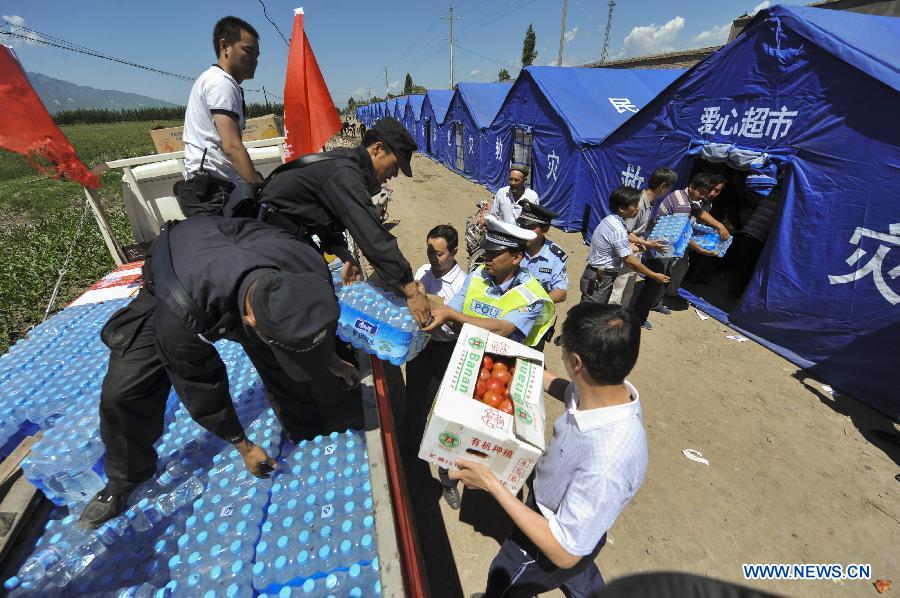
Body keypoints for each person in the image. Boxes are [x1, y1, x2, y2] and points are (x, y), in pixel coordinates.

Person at [78, 216, 361, 529]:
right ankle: (124, 479)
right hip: (174, 270)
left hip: (230, 248)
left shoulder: (308, 266)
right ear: (250, 323)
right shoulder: (182, 315)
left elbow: (313, 323)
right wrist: (244, 445)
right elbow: (200, 385)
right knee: (124, 392)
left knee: (285, 366)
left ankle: (306, 429)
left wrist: (331, 360)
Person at [451, 303, 648, 597]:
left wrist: (491, 483)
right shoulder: (610, 392)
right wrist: (528, 370)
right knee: (581, 566)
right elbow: (569, 392)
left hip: (550, 537)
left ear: (577, 362)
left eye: (562, 346)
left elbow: (564, 552)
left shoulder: (607, 462)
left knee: (505, 578)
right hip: (572, 514)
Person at [425, 215, 555, 509]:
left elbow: (503, 329)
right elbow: (454, 306)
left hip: (502, 375)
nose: (487, 259)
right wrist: (422, 296)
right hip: (467, 364)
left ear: (517, 257)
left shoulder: (531, 294)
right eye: (486, 252)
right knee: (453, 428)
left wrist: (452, 317)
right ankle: (448, 479)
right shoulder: (479, 275)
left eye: (495, 254)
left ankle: (491, 486)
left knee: (491, 436)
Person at [252, 116, 431, 325]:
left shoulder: (347, 166)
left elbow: (324, 215)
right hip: (267, 246)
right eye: (395, 165)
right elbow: (372, 236)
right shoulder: (344, 172)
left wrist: (342, 252)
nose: (395, 174)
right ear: (377, 149)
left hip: (285, 239)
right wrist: (410, 290)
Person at [177, 16, 264, 217]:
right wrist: (259, 188)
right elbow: (232, 147)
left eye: (257, 55)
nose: (255, 61)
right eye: (248, 52)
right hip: (215, 194)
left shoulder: (218, 81)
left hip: (212, 189)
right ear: (225, 46)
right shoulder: (221, 83)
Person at [632, 171, 728, 329]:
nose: (702, 197)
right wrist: (701, 249)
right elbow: (682, 233)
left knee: (666, 275)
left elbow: (699, 213)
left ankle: (655, 303)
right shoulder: (681, 203)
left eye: (705, 194)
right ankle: (639, 317)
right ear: (691, 187)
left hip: (668, 246)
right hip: (659, 245)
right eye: (700, 193)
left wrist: (719, 225)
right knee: (654, 281)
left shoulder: (688, 197)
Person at [402, 225, 466, 453]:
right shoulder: (422, 273)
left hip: (446, 350)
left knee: (442, 405)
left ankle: (440, 454)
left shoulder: (463, 285)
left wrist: (430, 303)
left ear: (454, 251)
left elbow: (462, 325)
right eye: (430, 252)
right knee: (416, 397)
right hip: (421, 347)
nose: (433, 258)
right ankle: (411, 448)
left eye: (439, 254)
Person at [581, 187, 670, 305]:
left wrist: (646, 244)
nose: (638, 208)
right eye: (634, 205)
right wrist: (654, 275)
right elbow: (630, 261)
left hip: (599, 275)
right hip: (600, 278)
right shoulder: (617, 229)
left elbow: (626, 236)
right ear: (622, 208)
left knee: (592, 314)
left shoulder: (612, 220)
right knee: (588, 317)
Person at [610, 168, 678, 307]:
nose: (668, 191)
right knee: (618, 290)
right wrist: (647, 243)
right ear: (662, 186)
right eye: (668, 188)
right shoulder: (639, 204)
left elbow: (640, 228)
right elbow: (625, 233)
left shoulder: (650, 202)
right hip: (626, 253)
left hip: (636, 251)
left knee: (627, 290)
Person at [517, 202, 568, 350]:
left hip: (535, 322)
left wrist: (533, 302)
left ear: (545, 229)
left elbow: (561, 292)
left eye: (530, 227)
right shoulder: (512, 246)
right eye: (522, 226)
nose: (524, 231)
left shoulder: (555, 256)